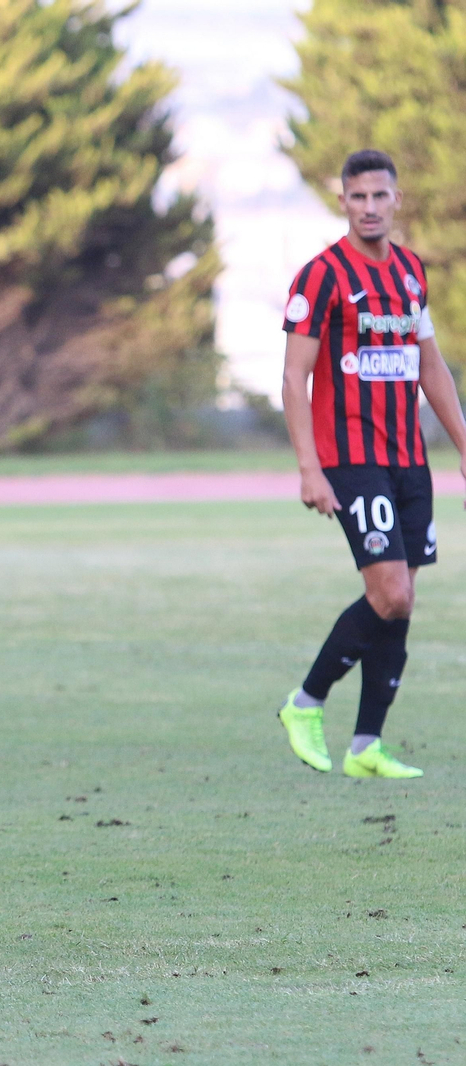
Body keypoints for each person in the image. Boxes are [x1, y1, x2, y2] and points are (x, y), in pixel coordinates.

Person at [278, 149, 466, 779]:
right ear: (343, 202)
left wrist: (463, 444)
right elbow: (293, 377)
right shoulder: (321, 276)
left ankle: (366, 746)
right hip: (350, 458)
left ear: (396, 200)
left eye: (379, 196)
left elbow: (431, 366)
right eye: (357, 197)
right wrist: (309, 467)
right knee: (389, 590)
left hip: (409, 459)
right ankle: (304, 704)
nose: (368, 208)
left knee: (401, 598)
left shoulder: (412, 273)